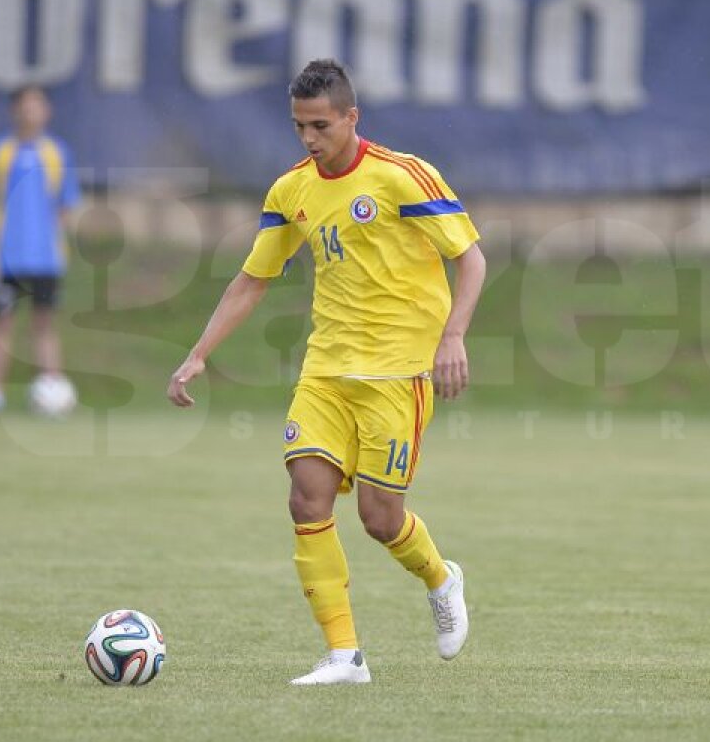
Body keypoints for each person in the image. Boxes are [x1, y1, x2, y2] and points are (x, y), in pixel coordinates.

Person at [167, 59, 486, 686]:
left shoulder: (400, 177)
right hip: (326, 371)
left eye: (320, 125)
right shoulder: (292, 190)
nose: (310, 139)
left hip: (398, 375)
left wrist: (454, 337)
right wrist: (199, 352)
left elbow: (470, 260)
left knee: (380, 519)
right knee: (305, 497)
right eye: (299, 127)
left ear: (350, 118)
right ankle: (345, 656)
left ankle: (441, 577)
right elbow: (251, 281)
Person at [0, 85, 80, 412]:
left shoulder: (57, 153)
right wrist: (2, 236)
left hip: (47, 259)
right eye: (25, 105)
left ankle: (51, 391)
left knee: (44, 324)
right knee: (2, 324)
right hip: (6, 258)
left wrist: (45, 235)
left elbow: (66, 204)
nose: (31, 111)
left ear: (47, 111)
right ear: (15, 110)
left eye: (38, 104)